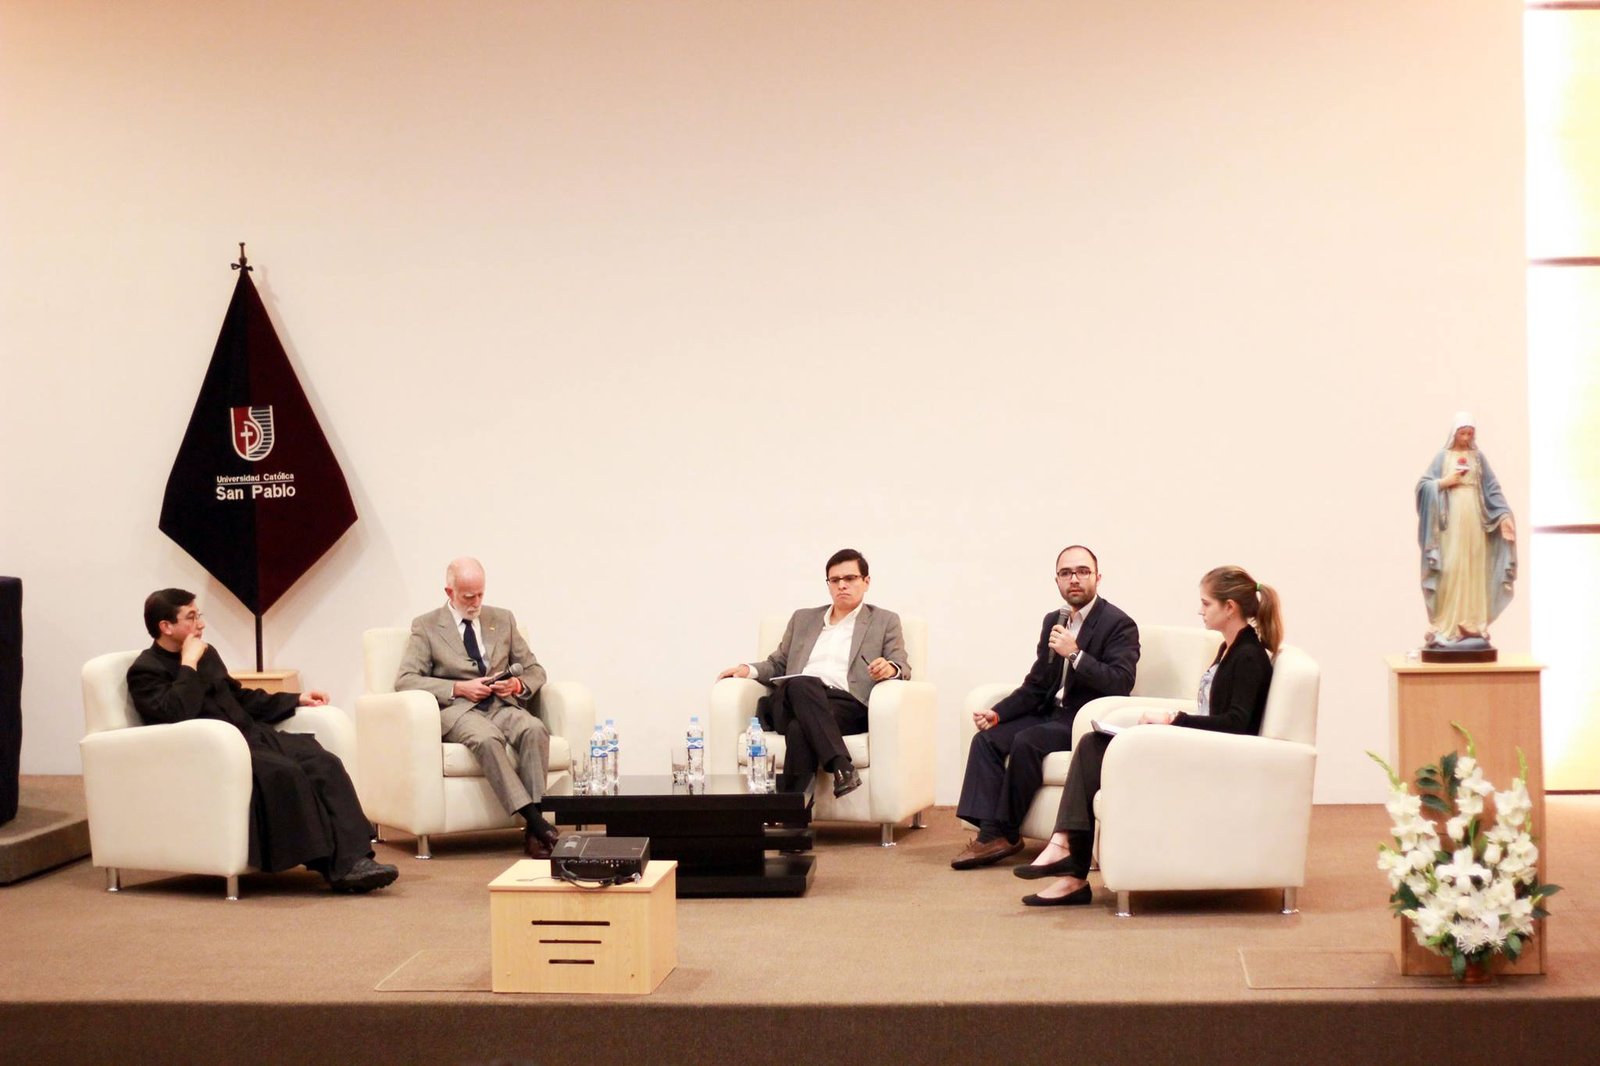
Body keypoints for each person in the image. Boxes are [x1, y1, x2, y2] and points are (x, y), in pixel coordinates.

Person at [1014, 565, 1281, 906]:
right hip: (1201, 745)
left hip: (1214, 756)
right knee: (1093, 744)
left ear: (1230, 608)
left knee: (1095, 747)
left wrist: (1173, 721)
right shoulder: (1230, 648)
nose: (1200, 611)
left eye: (1206, 604)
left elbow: (1236, 724)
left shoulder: (1249, 656)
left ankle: (1068, 861)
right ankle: (1068, 861)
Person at [127, 589, 398, 893]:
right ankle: (337, 867)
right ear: (166, 626)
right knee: (285, 772)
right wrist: (188, 664)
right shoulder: (145, 670)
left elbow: (239, 697)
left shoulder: (207, 654)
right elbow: (176, 713)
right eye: (190, 617)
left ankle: (357, 860)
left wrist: (295, 699)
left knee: (323, 762)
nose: (200, 624)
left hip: (251, 735)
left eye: (198, 615)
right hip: (214, 751)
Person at [951, 545, 1140, 870]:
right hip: (1052, 711)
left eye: (1082, 571)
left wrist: (1075, 654)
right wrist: (999, 713)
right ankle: (990, 834)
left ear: (1097, 577)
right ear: (1057, 581)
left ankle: (1003, 833)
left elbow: (1120, 682)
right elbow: (1038, 684)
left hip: (1083, 717)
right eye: (1066, 573)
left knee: (1027, 741)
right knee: (987, 740)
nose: (1074, 579)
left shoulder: (1119, 624)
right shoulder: (1055, 620)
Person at [395, 557, 558, 858]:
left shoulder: (503, 619)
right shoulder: (426, 626)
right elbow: (405, 680)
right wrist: (459, 688)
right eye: (468, 596)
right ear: (450, 592)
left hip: (501, 704)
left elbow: (535, 670)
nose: (476, 603)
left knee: (534, 729)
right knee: (486, 739)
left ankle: (534, 832)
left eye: (480, 594)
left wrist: (517, 685)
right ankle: (537, 823)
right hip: (460, 709)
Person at [717, 548, 909, 797]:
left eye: (850, 578)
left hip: (844, 706)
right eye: (835, 580)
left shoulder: (884, 621)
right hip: (792, 699)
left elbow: (902, 665)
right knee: (802, 683)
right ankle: (841, 765)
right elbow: (778, 663)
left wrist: (890, 668)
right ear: (828, 584)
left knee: (799, 729)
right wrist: (748, 670)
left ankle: (792, 813)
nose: (842, 585)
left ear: (866, 581)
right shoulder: (803, 619)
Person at [1415, 413, 1516, 646]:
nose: (1466, 437)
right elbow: (1423, 486)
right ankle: (1446, 623)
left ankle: (1472, 623)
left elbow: (1492, 489)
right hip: (1450, 518)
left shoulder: (1478, 458)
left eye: (1470, 433)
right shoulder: (1443, 456)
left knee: (1473, 566)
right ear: (1454, 433)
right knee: (1451, 565)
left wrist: (1503, 515)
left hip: (1474, 516)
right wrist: (1444, 482)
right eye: (1463, 433)